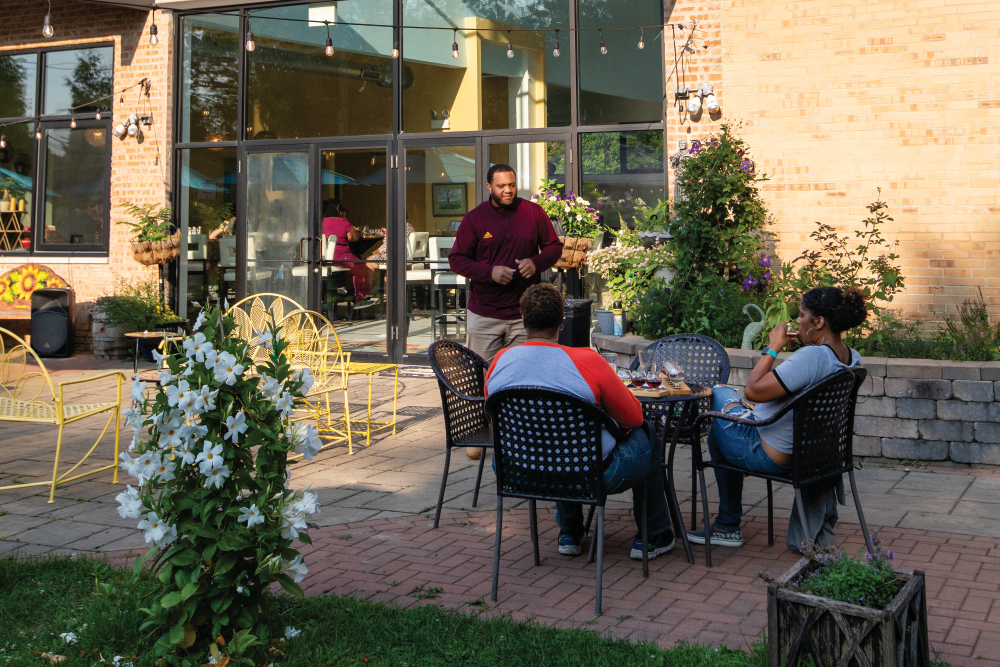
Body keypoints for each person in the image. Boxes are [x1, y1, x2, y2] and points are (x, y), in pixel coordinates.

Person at [485, 284, 676, 561]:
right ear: (562, 320)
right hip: (593, 474)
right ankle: (654, 533)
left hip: (518, 471)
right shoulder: (587, 360)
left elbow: (494, 415)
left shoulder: (500, 361)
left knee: (557, 443)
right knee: (647, 434)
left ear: (523, 320)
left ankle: (570, 533)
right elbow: (633, 417)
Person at [686, 286, 867, 548]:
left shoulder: (812, 357)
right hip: (814, 458)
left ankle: (727, 526)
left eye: (802, 316)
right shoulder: (852, 359)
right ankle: (726, 524)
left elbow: (754, 389)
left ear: (819, 322)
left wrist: (773, 347)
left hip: (770, 455)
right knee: (723, 420)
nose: (798, 322)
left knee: (719, 396)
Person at [449, 164, 563, 458]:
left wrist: (536, 263)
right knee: (480, 376)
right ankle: (478, 432)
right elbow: (457, 260)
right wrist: (489, 272)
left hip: (522, 315)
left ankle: (518, 435)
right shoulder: (475, 219)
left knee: (522, 378)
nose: (508, 190)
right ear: (489, 187)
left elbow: (553, 247)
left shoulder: (533, 213)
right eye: (501, 186)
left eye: (511, 184)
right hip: (485, 313)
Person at [321, 199, 376, 309]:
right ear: (337, 209)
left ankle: (337, 289)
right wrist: (354, 230)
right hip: (340, 255)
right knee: (359, 264)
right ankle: (359, 298)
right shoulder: (342, 221)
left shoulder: (321, 221)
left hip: (323, 257)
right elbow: (353, 238)